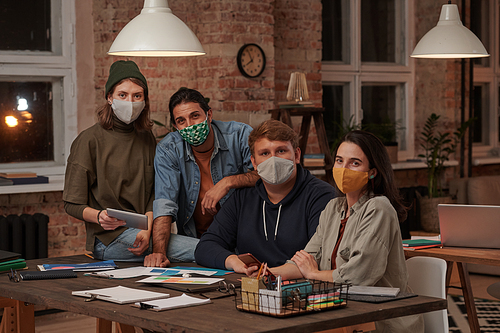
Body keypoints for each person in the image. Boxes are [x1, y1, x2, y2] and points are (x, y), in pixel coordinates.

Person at [270, 130, 423, 332]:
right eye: (340, 161)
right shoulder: (333, 208)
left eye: (355, 163)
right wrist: (267, 273)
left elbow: (358, 277)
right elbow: (306, 261)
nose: (344, 169)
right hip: (342, 312)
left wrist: (314, 273)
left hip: (381, 320)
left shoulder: (379, 208)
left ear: (372, 172)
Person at [194, 119, 335, 274]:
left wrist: (266, 275)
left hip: (299, 289)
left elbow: (317, 258)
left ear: (296, 155)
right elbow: (205, 247)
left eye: (281, 151)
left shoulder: (322, 196)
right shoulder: (242, 198)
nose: (273, 160)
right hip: (249, 286)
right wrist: (234, 261)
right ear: (254, 162)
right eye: (265, 153)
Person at [145, 88, 260, 267]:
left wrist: (228, 182)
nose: (190, 125)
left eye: (195, 116)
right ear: (175, 127)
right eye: (181, 121)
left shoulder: (239, 136)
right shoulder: (169, 149)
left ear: (209, 115)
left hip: (243, 238)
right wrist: (159, 253)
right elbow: (164, 203)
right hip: (196, 242)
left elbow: (266, 175)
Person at [63, 60, 156, 261]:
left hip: (144, 232)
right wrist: (99, 217)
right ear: (109, 98)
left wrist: (148, 231)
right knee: (198, 250)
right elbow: (71, 203)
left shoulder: (147, 138)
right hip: (107, 240)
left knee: (196, 249)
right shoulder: (89, 140)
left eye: (137, 96)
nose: (130, 102)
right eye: (123, 95)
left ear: (144, 100)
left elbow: (152, 195)